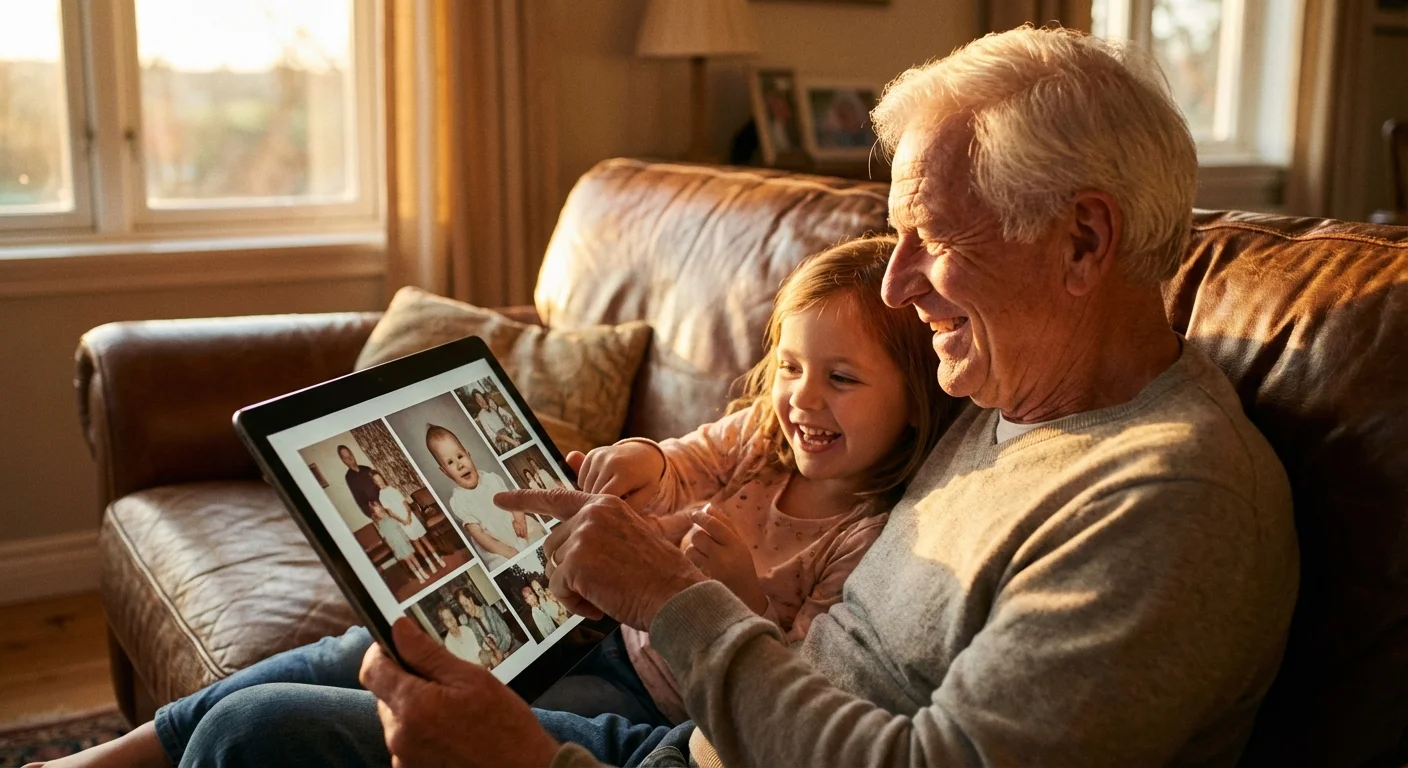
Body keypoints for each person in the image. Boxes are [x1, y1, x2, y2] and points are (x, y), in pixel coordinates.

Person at [49, 27, 1301, 768]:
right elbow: (769, 440)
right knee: (350, 672)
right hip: (698, 734)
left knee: (257, 737)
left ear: (1085, 243)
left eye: (931, 240)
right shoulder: (1011, 389)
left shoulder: (1167, 508)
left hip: (689, 735)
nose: (904, 288)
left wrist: (664, 622)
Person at [537, 237, 945, 726]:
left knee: (512, 723)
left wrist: (741, 595)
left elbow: (793, 674)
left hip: (668, 706)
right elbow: (685, 463)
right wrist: (642, 460)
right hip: (614, 634)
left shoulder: (865, 538)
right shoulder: (761, 435)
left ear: (917, 399)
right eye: (790, 367)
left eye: (841, 378)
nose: (803, 399)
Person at [426, 423, 545, 570]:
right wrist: (507, 551)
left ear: (469, 455)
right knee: (500, 564)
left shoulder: (491, 479)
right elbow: (479, 535)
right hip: (495, 545)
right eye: (450, 462)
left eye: (460, 456)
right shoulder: (458, 501)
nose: (459, 465)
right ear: (444, 471)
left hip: (517, 529)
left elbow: (514, 500)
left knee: (538, 538)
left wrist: (519, 520)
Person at [372, 470, 444, 574]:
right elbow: (391, 513)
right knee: (416, 543)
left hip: (410, 517)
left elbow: (405, 503)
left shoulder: (393, 489)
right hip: (402, 522)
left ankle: (438, 558)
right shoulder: (381, 497)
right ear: (375, 483)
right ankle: (430, 563)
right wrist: (403, 520)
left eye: (380, 479)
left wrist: (409, 516)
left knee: (424, 539)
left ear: (382, 478)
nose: (380, 482)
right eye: (377, 481)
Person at [368, 500, 427, 585]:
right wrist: (392, 546)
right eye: (378, 512)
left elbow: (400, 528)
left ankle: (422, 571)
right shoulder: (380, 525)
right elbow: (386, 537)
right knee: (408, 560)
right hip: (396, 544)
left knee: (412, 556)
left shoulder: (390, 518)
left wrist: (406, 537)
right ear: (375, 515)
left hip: (402, 540)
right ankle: (418, 575)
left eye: (381, 510)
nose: (380, 513)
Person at [455, 587, 519, 658]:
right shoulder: (471, 624)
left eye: (466, 604)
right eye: (463, 607)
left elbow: (506, 635)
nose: (467, 609)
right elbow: (480, 646)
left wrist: (501, 651)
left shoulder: (490, 611)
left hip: (513, 649)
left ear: (471, 599)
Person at [337, 445, 380, 517]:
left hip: (386, 501)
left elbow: (380, 484)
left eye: (350, 455)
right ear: (343, 461)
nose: (350, 458)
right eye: (346, 457)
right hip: (376, 509)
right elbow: (358, 499)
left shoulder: (366, 469)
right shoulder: (349, 477)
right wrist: (371, 515)